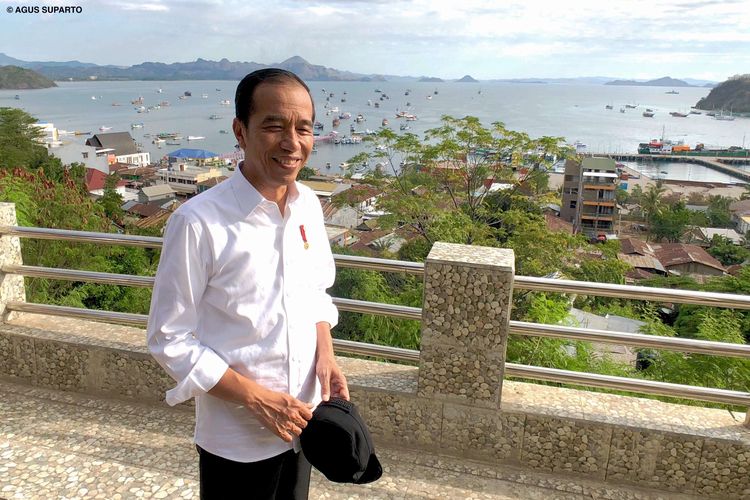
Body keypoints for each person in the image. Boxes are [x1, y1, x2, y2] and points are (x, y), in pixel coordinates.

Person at [146, 68, 349, 499]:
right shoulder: (198, 222)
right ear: (240, 130)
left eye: (304, 128)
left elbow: (315, 291)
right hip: (235, 440)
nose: (292, 142)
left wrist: (326, 357)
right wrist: (258, 399)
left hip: (303, 422)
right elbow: (169, 338)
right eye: (274, 126)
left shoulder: (309, 205)